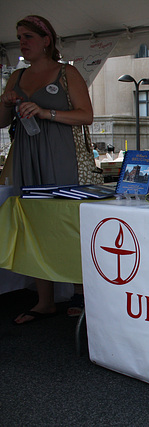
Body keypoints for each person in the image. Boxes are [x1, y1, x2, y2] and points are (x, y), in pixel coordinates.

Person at [0, 15, 93, 325]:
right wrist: (5, 101)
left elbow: (86, 116)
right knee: (34, 223)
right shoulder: (17, 76)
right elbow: (2, 121)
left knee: (66, 221)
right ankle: (45, 301)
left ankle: (81, 294)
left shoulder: (67, 73)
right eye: (19, 36)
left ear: (46, 40)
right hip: (26, 155)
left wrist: (44, 111)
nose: (22, 42)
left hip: (61, 153)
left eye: (27, 36)